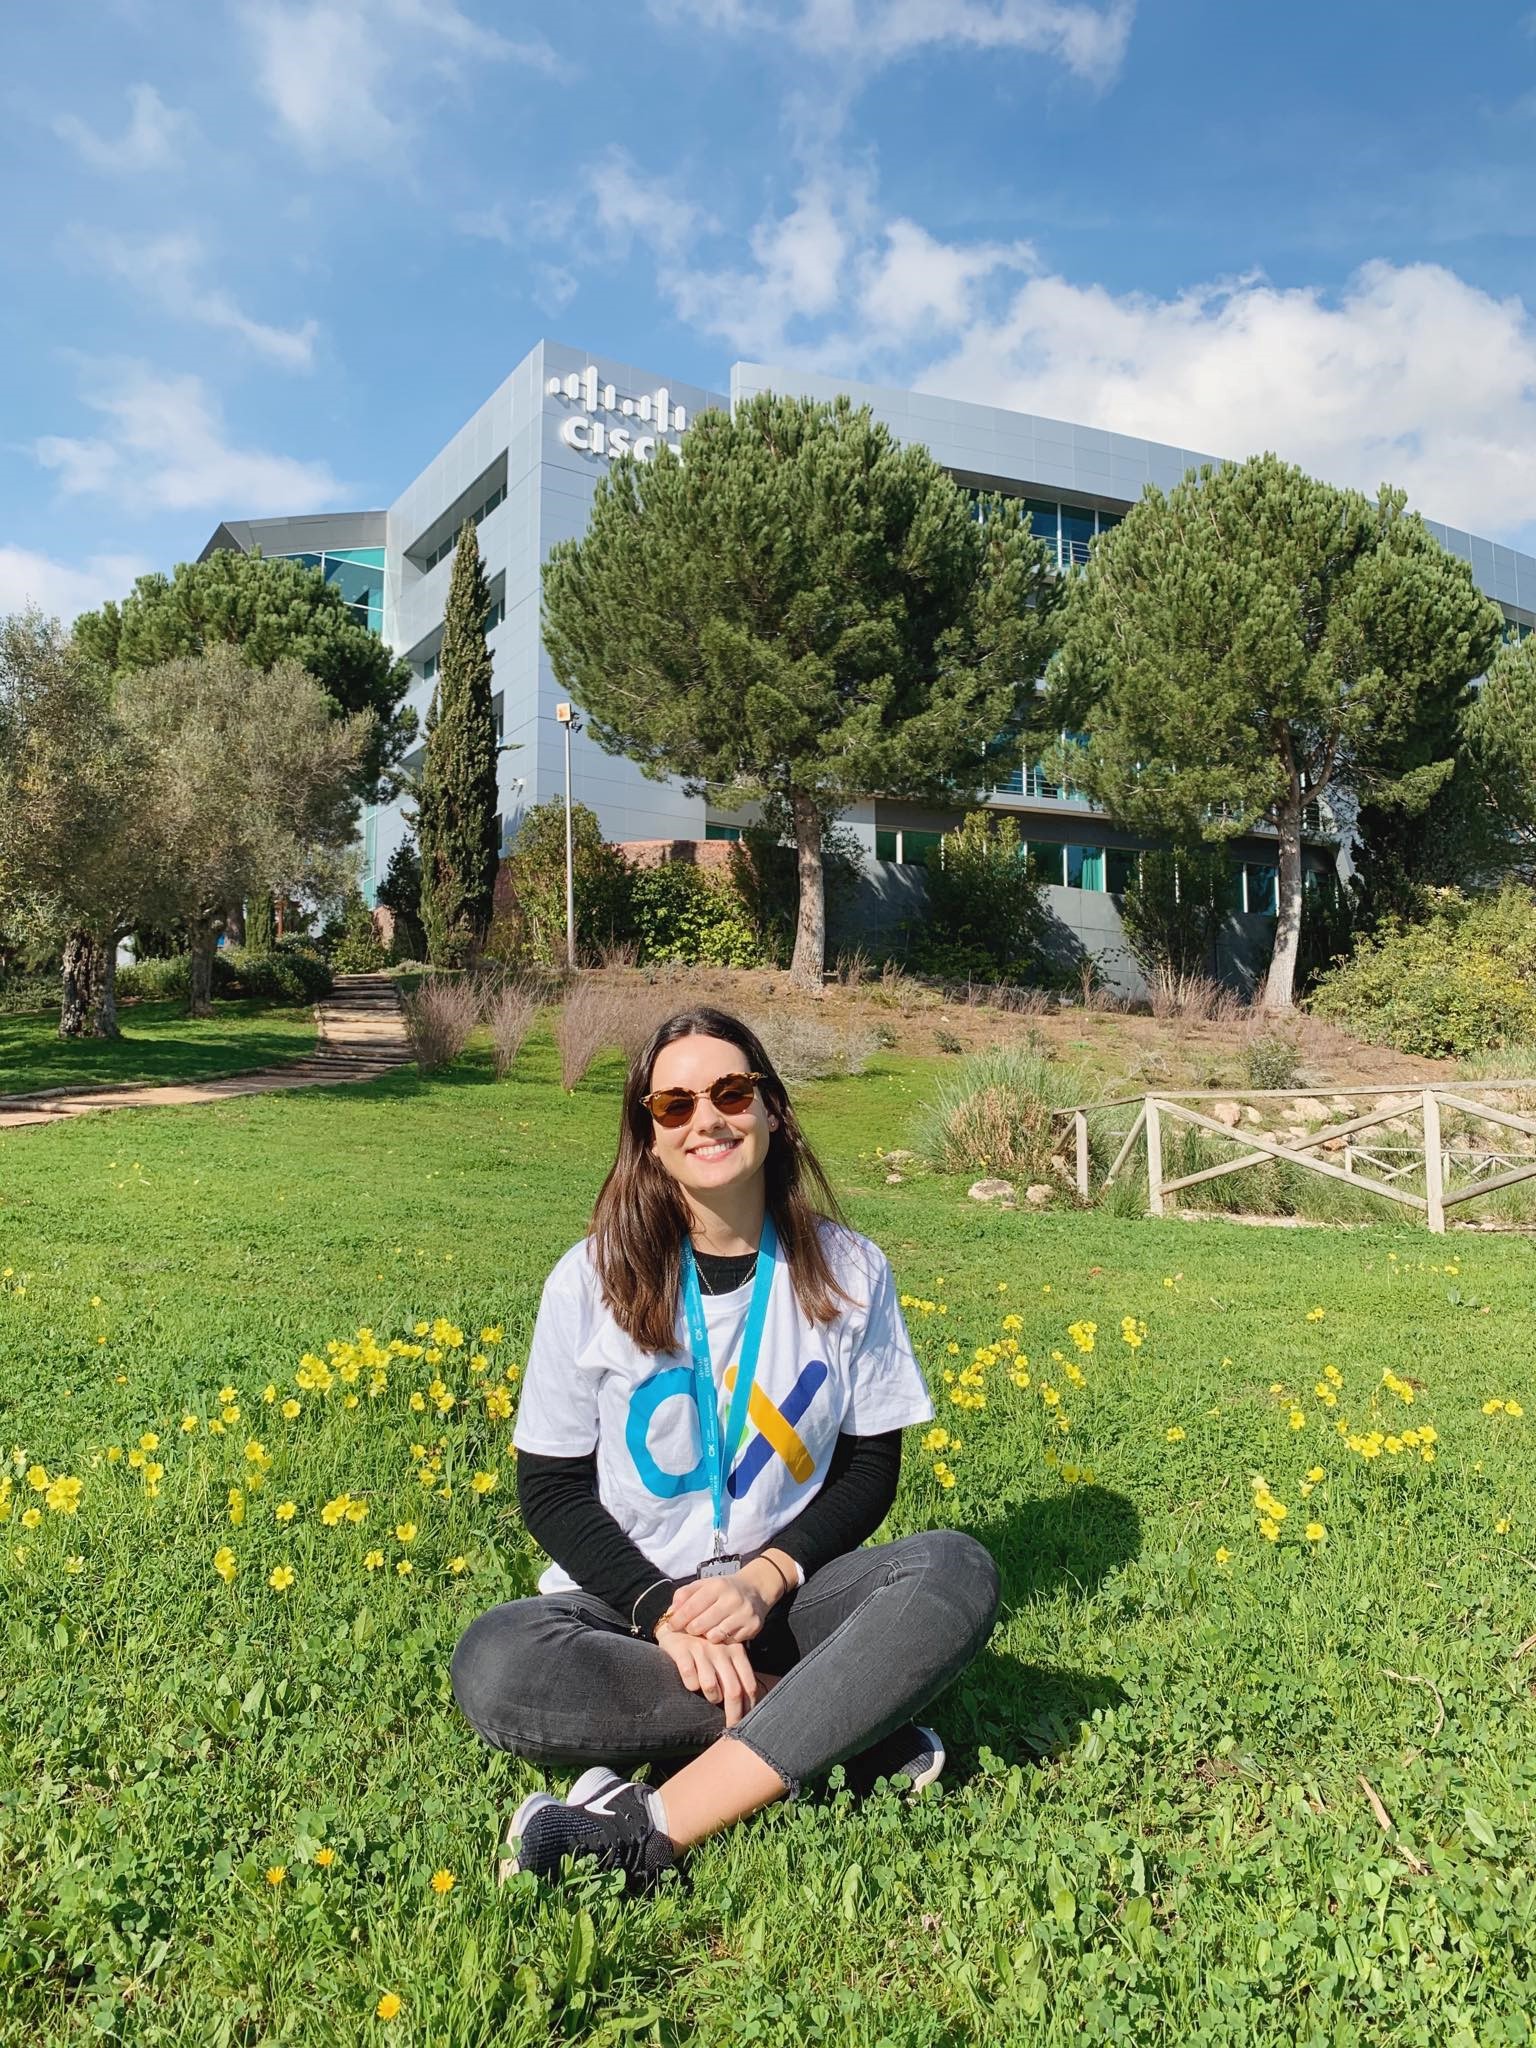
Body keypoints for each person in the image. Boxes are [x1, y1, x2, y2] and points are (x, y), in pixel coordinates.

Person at [451, 1007, 1000, 1893]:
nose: (706, 1118)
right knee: (498, 1661)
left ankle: (641, 1826)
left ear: (771, 1108)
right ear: (650, 1138)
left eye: (731, 1092)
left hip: (788, 1602)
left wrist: (764, 1579)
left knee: (954, 1569)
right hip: (627, 1614)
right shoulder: (589, 1279)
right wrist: (661, 1610)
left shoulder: (851, 1270)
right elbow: (550, 1490)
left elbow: (870, 1468)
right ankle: (840, 1724)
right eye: (674, 1105)